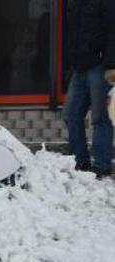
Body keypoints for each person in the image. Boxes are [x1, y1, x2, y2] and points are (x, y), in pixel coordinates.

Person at [64, 0, 115, 178]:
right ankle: (80, 163)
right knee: (71, 114)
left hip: (99, 66)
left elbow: (112, 29)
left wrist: (111, 64)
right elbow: (71, 33)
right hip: (79, 67)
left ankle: (102, 167)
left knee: (100, 117)